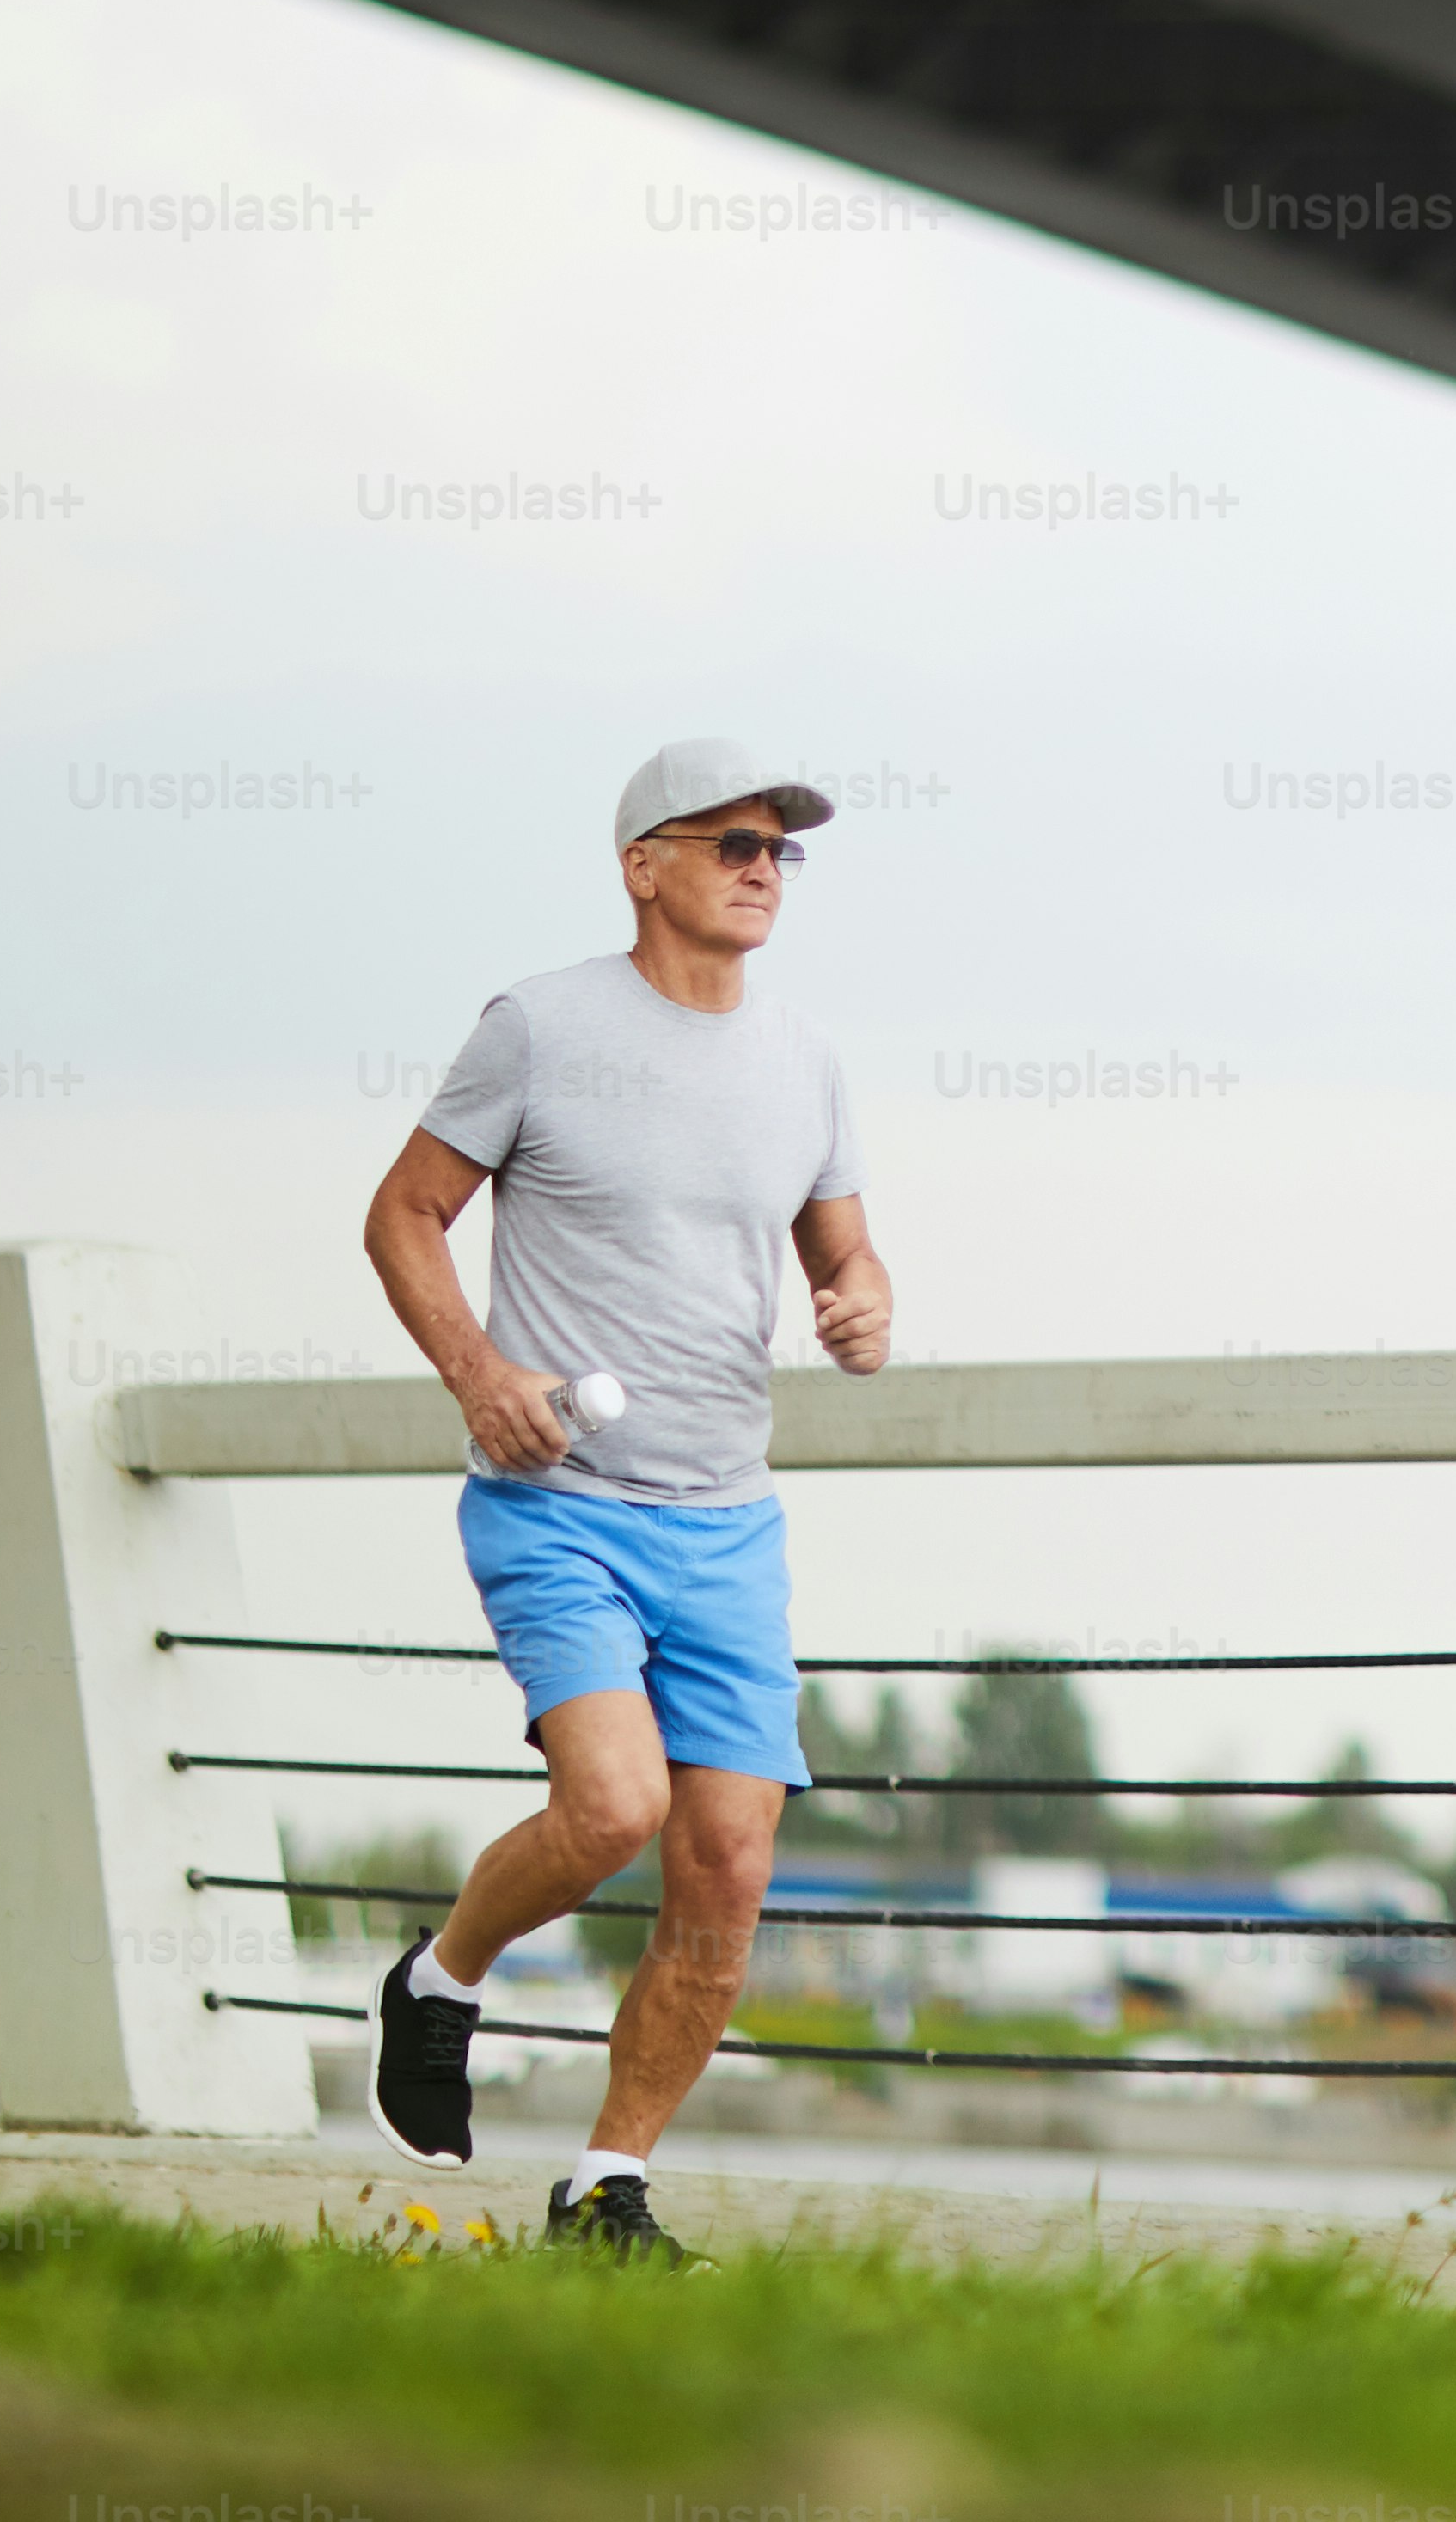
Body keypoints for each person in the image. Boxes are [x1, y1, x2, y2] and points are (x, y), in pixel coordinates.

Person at [354, 739, 890, 2260]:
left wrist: (859, 1302)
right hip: (562, 1498)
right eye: (730, 841)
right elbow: (403, 1214)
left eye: (783, 850)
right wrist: (478, 1374)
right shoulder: (542, 1026)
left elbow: (845, 1253)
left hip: (729, 1517)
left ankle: (604, 2187)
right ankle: (442, 1977)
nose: (761, 867)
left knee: (725, 1864)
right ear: (642, 863)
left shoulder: (807, 1059)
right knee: (613, 1807)